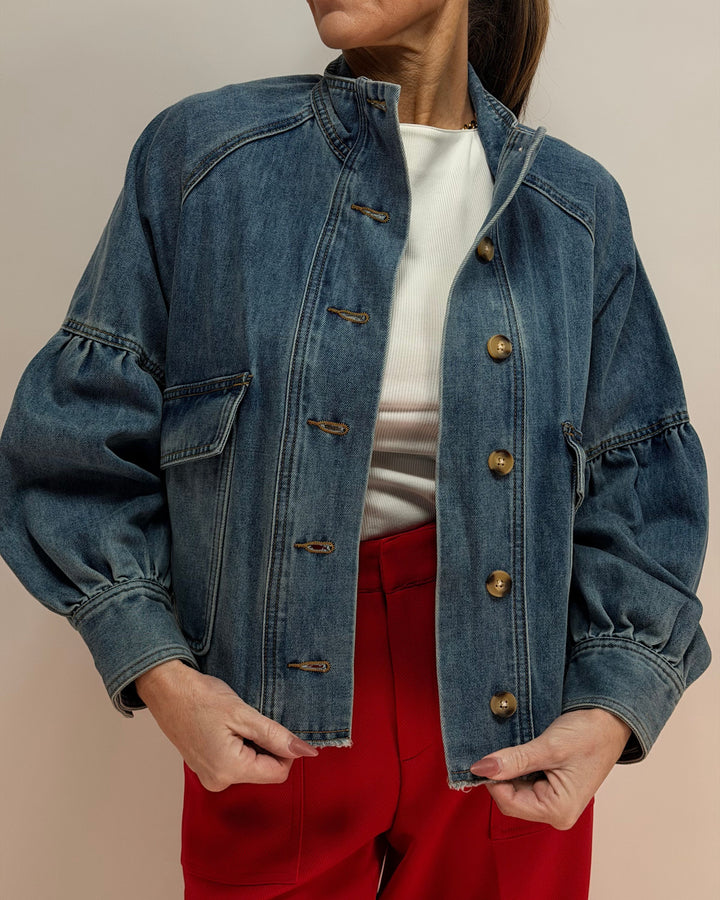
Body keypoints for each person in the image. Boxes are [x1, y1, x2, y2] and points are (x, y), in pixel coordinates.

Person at [0, 1, 712, 897]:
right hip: (270, 723)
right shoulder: (207, 159)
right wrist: (161, 673)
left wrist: (613, 706)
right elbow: (77, 440)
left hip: (514, 727)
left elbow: (639, 481)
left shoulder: (573, 206)